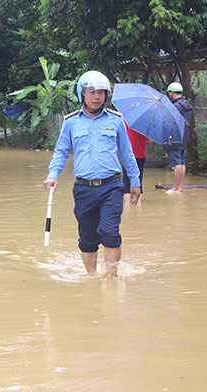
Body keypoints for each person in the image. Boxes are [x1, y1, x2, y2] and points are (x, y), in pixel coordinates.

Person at [43, 71, 141, 277]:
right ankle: (91, 278)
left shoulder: (116, 121)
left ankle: (112, 277)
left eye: (101, 92)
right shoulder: (70, 122)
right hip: (83, 188)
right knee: (87, 237)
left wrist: (135, 181)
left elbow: (127, 153)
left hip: (112, 186)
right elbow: (61, 152)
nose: (96, 97)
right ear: (82, 94)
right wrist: (53, 175)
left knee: (110, 232)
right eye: (91, 92)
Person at [165, 82, 193, 192]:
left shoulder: (175, 106)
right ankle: (179, 186)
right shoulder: (186, 105)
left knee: (176, 162)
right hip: (184, 137)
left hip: (175, 137)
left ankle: (175, 187)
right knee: (181, 161)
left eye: (169, 93)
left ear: (172, 93)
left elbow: (170, 122)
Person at [122, 123, 148, 202]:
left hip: (128, 154)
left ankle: (127, 209)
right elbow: (149, 139)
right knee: (139, 179)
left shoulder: (126, 122)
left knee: (126, 179)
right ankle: (138, 204)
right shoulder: (146, 125)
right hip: (141, 154)